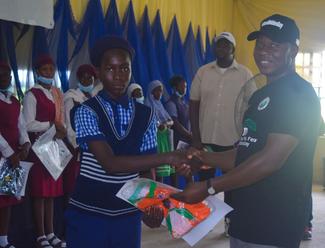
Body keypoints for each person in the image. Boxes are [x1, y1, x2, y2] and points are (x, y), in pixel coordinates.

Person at [173, 14, 321, 248]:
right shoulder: (260, 96)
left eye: (274, 45)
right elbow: (244, 152)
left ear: (292, 50)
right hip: (245, 217)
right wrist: (202, 157)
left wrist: (209, 187)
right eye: (260, 44)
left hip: (275, 223)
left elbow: (269, 160)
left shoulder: (299, 95)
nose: (264, 51)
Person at [65, 36, 186, 248]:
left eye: (124, 68)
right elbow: (109, 164)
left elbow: (147, 169)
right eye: (110, 69)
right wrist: (170, 156)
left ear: (131, 70)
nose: (118, 76)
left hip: (127, 215)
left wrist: (148, 205)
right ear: (99, 72)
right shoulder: (86, 111)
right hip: (89, 213)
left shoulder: (146, 114)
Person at [190, 31, 255, 234]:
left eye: (226, 45)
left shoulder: (245, 74)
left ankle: (230, 222)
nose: (221, 48)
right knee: (204, 182)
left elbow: (252, 108)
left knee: (232, 185)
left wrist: (244, 138)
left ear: (233, 49)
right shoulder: (203, 72)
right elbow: (193, 104)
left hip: (232, 141)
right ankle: (203, 219)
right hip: (207, 140)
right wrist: (196, 138)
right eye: (218, 45)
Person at [23, 54, 66, 248]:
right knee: (40, 194)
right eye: (44, 70)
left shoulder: (57, 93)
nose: (49, 73)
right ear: (37, 73)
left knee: (52, 193)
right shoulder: (32, 94)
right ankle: (40, 235)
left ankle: (51, 232)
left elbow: (61, 119)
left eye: (51, 70)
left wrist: (60, 128)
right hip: (39, 148)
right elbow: (28, 124)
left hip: (53, 147)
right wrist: (50, 124)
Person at [0, 61, 31, 248]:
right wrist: (9, 152)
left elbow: (21, 126)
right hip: (4, 154)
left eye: (7, 76)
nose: (5, 79)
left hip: (12, 157)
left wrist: (26, 143)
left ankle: (3, 239)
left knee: (7, 197)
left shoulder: (14, 100)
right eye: (1, 76)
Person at [63, 64, 97, 195]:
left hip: (93, 149)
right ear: (78, 79)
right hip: (77, 150)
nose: (87, 81)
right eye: (84, 78)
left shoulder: (94, 98)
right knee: (73, 186)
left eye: (91, 78)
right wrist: (77, 145)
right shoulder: (71, 97)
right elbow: (69, 125)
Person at [145, 80, 176, 186]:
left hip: (164, 138)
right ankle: (157, 194)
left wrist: (166, 124)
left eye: (161, 91)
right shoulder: (147, 105)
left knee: (164, 170)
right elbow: (150, 123)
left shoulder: (160, 105)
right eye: (157, 91)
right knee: (157, 171)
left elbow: (170, 120)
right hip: (155, 139)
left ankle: (162, 193)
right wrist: (160, 125)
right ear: (151, 92)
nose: (160, 94)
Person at [165, 75, 192, 149]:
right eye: (182, 86)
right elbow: (176, 124)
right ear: (175, 88)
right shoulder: (171, 103)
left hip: (187, 139)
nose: (184, 89)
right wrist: (189, 135)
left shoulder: (183, 101)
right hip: (179, 141)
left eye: (185, 86)